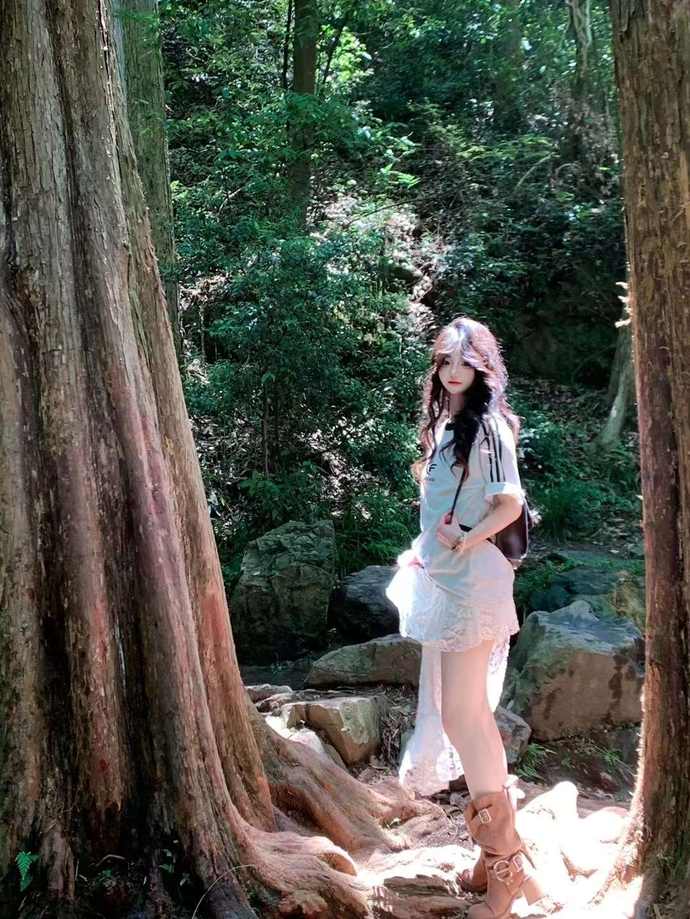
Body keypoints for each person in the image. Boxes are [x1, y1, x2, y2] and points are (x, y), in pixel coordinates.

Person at [385, 316, 545, 919]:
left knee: (463, 716)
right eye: (446, 361)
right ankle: (502, 861)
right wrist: (426, 549)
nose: (454, 372)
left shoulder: (489, 427)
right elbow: (440, 509)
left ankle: (505, 872)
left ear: (483, 368)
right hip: (446, 579)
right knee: (468, 715)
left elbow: (508, 503)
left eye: (465, 363)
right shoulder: (445, 424)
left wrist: (466, 540)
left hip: (474, 583)